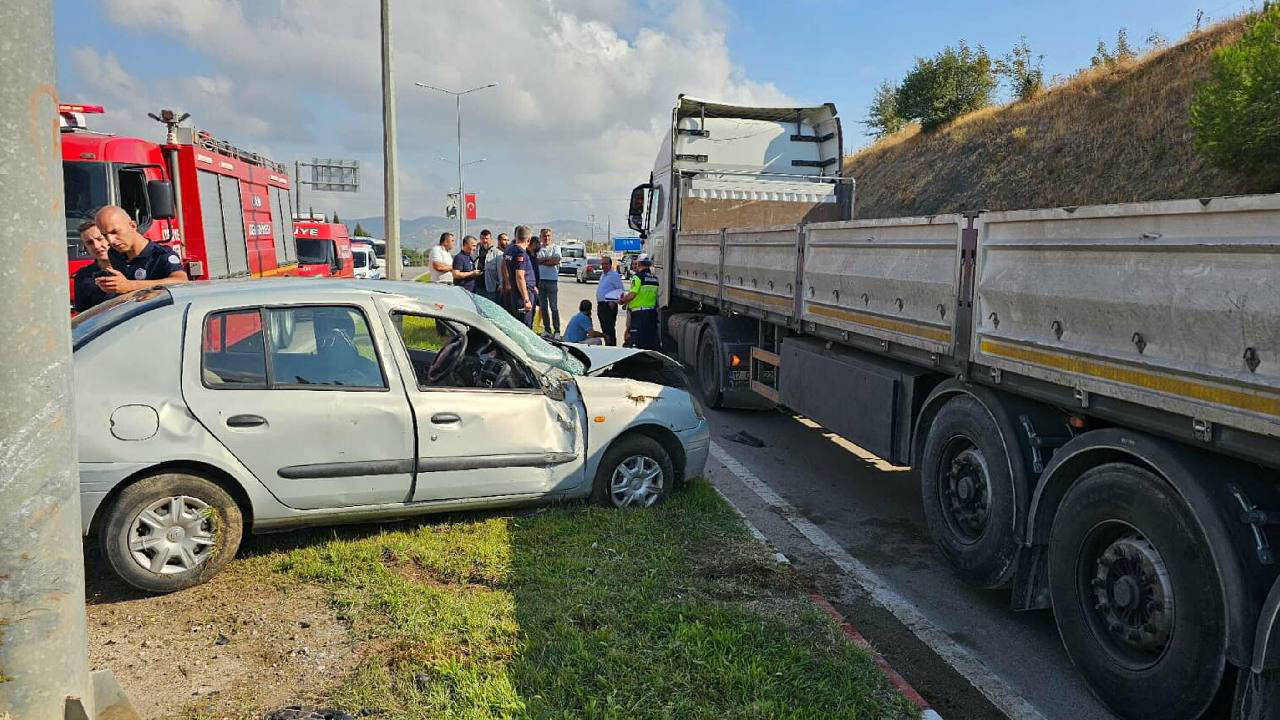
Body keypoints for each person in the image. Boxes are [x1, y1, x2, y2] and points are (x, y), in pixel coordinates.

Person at [93, 205, 188, 296]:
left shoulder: (161, 255)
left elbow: (181, 281)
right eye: (105, 235)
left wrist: (130, 285)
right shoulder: (114, 253)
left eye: (115, 232)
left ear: (132, 226)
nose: (111, 241)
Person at [71, 220, 115, 313]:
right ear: (86, 248)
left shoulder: (132, 265)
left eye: (99, 239)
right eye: (90, 243)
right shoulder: (83, 277)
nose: (97, 246)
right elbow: (83, 315)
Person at [621, 253, 661, 351]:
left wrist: (622, 300)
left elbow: (632, 294)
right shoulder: (654, 279)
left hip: (639, 315)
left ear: (639, 264)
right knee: (650, 341)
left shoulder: (637, 277)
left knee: (636, 342)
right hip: (651, 314)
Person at [503, 225, 537, 327]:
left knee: (518, 324)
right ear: (529, 239)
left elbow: (504, 267)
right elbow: (520, 276)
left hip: (516, 291)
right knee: (525, 326)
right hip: (522, 294)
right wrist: (526, 299)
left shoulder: (509, 250)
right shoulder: (520, 253)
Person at [535, 227, 562, 336]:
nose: (546, 238)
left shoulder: (556, 248)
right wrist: (547, 260)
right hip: (540, 281)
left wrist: (542, 261)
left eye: (548, 236)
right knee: (543, 307)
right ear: (541, 237)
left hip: (552, 281)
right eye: (544, 236)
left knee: (554, 307)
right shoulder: (538, 249)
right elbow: (535, 260)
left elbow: (555, 261)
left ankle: (557, 330)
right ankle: (547, 329)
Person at [595, 255, 624, 346]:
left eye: (606, 264)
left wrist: (614, 301)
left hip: (608, 306)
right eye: (602, 264)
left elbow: (620, 290)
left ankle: (611, 347)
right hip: (601, 305)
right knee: (604, 329)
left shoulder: (614, 275)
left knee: (609, 329)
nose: (604, 266)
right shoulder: (603, 274)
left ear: (611, 265)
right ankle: (608, 345)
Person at [483, 231, 509, 301]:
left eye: (507, 240)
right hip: (488, 287)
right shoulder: (493, 253)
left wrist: (502, 284)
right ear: (499, 240)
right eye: (504, 240)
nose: (506, 242)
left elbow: (502, 271)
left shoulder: (504, 254)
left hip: (498, 288)